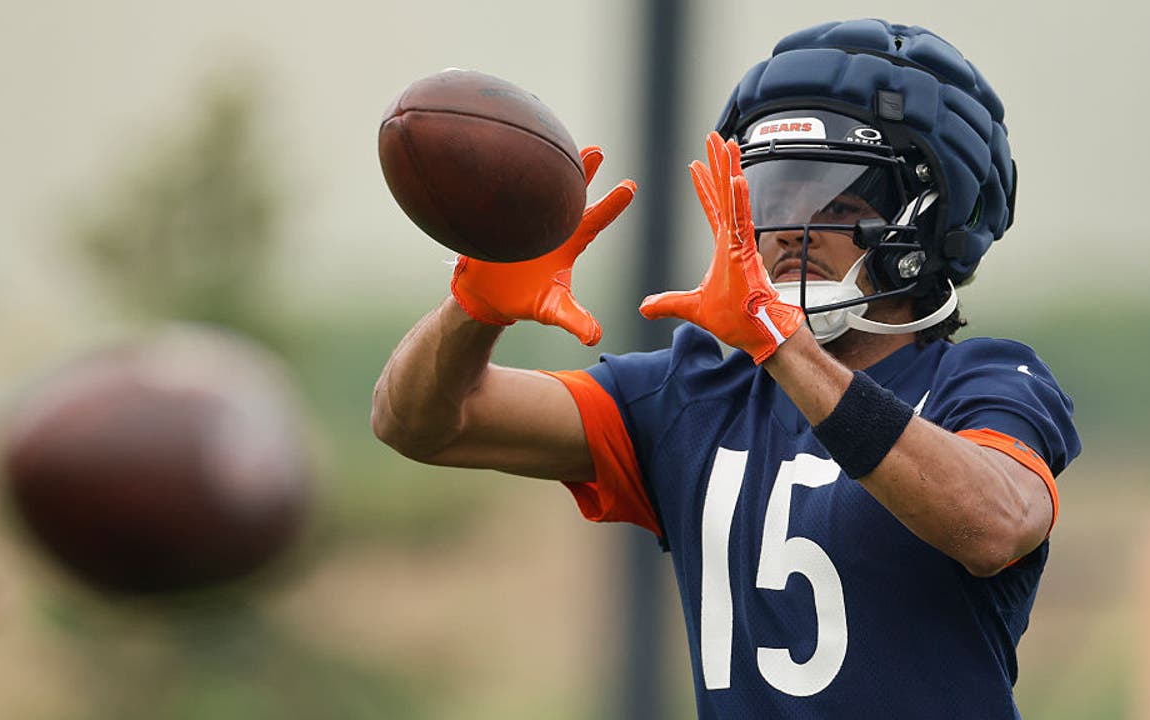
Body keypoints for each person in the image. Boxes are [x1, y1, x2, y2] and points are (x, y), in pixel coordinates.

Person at [372, 18, 1081, 718]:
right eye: (769, 201)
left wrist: (783, 346)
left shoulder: (985, 381)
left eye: (836, 201)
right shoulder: (691, 398)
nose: (788, 230)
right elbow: (420, 423)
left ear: (925, 227)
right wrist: (474, 307)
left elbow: (994, 523)